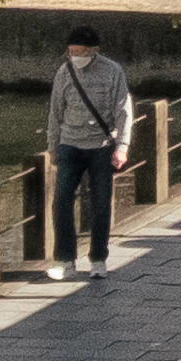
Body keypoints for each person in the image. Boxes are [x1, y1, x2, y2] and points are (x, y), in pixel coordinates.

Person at [46, 33, 134, 273]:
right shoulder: (64, 72)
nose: (75, 57)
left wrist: (122, 146)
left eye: (79, 52)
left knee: (101, 203)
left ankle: (98, 258)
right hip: (69, 145)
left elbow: (123, 109)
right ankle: (65, 258)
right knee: (62, 201)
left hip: (101, 146)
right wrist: (53, 146)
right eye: (71, 52)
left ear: (93, 50)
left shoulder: (112, 71)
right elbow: (55, 111)